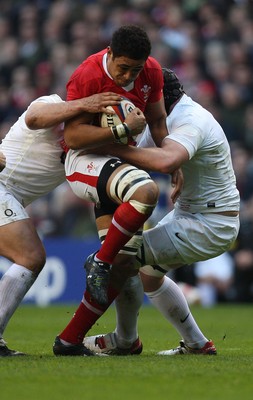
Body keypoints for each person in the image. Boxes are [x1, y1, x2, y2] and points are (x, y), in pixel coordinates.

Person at [82, 68, 240, 356]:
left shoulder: (192, 120)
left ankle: (124, 340)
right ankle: (197, 344)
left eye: (146, 95)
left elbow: (166, 161)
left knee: (123, 260)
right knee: (149, 275)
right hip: (192, 214)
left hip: (211, 223)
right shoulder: (165, 118)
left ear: (159, 97)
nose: (141, 102)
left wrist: (110, 148)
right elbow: (142, 155)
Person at [52, 25, 175, 356]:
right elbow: (74, 137)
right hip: (83, 162)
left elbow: (159, 123)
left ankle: (70, 340)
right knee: (145, 192)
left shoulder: (151, 71)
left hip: (117, 166)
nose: (128, 75)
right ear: (109, 54)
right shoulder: (87, 74)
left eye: (135, 69)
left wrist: (172, 165)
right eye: (123, 68)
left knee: (126, 266)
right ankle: (99, 261)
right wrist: (123, 128)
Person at [0, 90, 126, 357]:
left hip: (9, 195)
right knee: (30, 256)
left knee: (30, 258)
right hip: (2, 186)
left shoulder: (82, 139)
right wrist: (86, 103)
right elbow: (34, 118)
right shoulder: (52, 103)